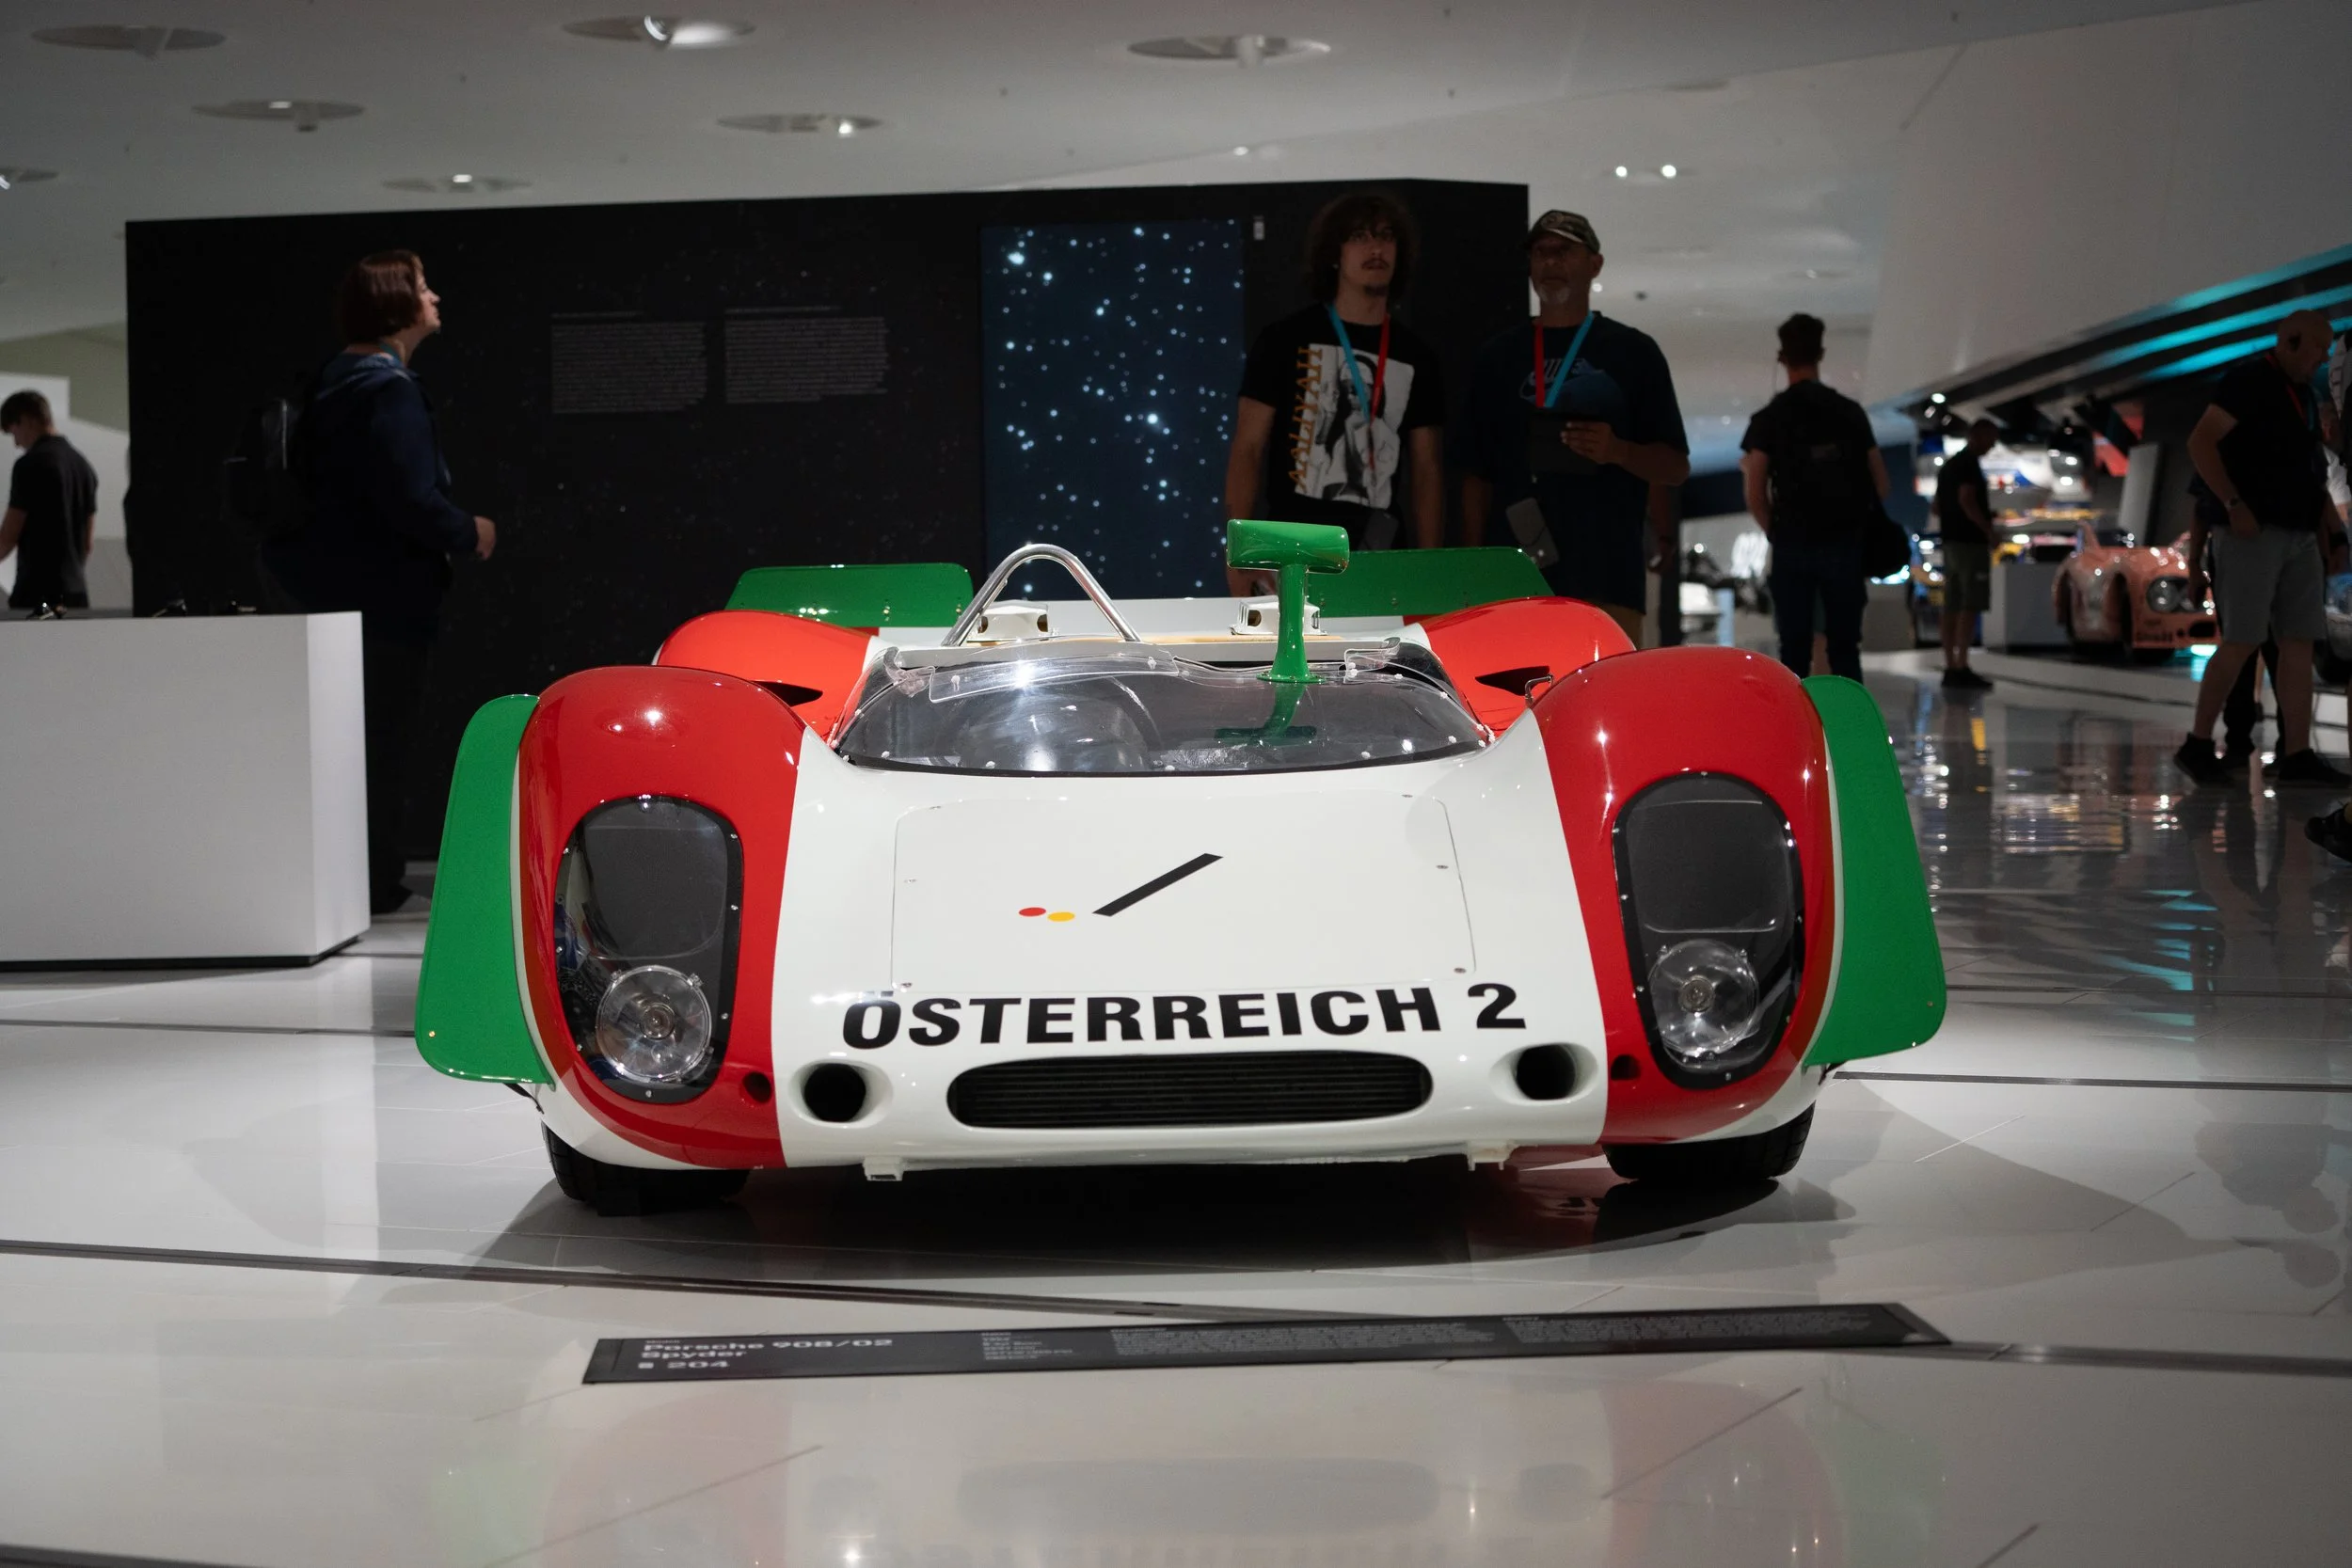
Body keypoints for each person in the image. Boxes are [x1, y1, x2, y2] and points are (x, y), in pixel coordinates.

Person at [262, 250, 496, 914]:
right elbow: (410, 499)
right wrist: (469, 529)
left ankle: (355, 877)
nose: (435, 297)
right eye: (423, 288)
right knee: (382, 740)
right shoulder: (388, 389)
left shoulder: (332, 381)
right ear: (397, 305)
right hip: (387, 600)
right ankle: (375, 880)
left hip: (329, 594)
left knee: (352, 741)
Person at [1457, 211, 1689, 646]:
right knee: (1510, 708)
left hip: (1607, 579)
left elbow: (1675, 467)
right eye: (1541, 252)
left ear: (1595, 265)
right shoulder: (1497, 357)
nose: (1550, 262)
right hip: (1512, 580)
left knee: (1604, 704)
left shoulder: (1633, 353)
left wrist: (1619, 451)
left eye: (1564, 250)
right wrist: (1476, 568)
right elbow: (1474, 472)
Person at [1224, 191, 1444, 593]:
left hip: (1381, 552)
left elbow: (1427, 471)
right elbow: (1247, 448)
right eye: (1359, 237)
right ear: (1334, 253)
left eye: (1386, 237)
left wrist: (1430, 565)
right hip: (1291, 552)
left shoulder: (1417, 356)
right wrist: (1238, 554)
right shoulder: (1284, 340)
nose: (1376, 248)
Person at [2174, 309, 2345, 786]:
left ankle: (2297, 753)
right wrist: (2233, 504)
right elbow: (2200, 441)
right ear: (2290, 342)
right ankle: (2197, 743)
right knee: (2242, 640)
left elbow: (2309, 468)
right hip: (2252, 533)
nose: (2323, 357)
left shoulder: (2304, 396)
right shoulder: (2247, 381)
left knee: (2298, 642)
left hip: (2297, 534)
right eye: (2317, 347)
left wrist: (2326, 533)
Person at [1737, 313, 1890, 682]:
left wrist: (1776, 530)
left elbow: (1755, 490)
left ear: (1782, 358)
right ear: (1820, 353)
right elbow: (1881, 483)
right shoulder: (1850, 413)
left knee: (1793, 648)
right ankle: (1851, 731)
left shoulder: (1770, 418)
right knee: (1845, 648)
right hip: (1844, 543)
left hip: (1793, 543)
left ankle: (1798, 731)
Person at [0, 389, 99, 613]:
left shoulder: (30, 465)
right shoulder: (83, 467)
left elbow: (7, 537)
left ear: (26, 420)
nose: (16, 443)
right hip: (76, 595)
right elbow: (87, 543)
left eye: (13, 432)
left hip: (37, 595)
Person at [1930, 419, 1999, 689]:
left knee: (1953, 604)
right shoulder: (1969, 465)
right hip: (1970, 545)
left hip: (1951, 545)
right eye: (1990, 440)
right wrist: (1987, 530)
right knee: (1970, 604)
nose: (1991, 447)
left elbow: (1937, 506)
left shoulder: (1948, 467)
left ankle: (1951, 664)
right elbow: (1967, 499)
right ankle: (1962, 663)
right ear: (1977, 435)